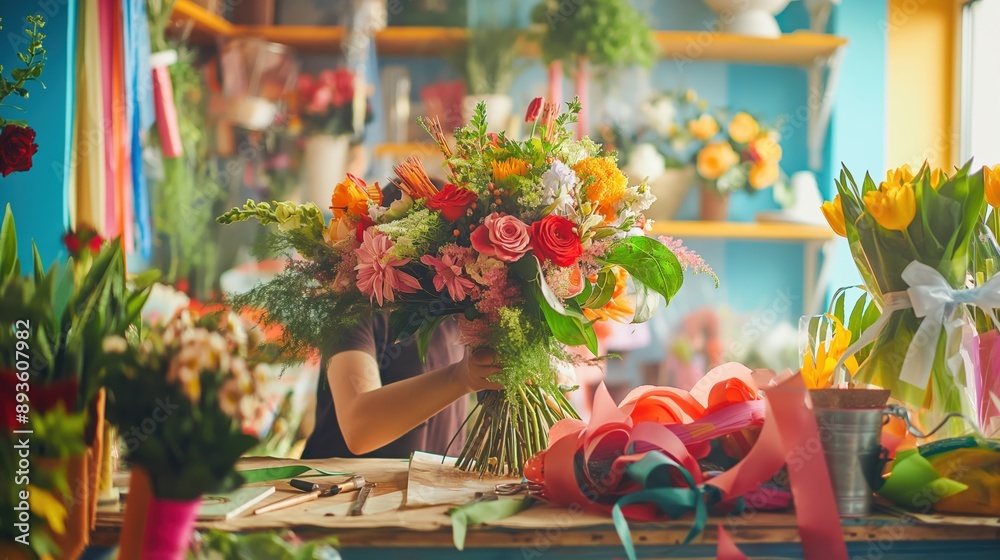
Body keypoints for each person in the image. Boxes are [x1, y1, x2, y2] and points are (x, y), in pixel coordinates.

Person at [300, 314, 501, 459]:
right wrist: (461, 378)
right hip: (342, 497)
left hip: (432, 494)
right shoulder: (351, 312)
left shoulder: (464, 312)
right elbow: (358, 429)